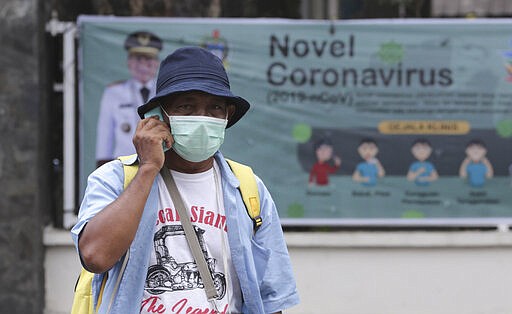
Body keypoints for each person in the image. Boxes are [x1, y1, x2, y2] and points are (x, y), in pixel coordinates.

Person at [72, 46, 299, 313]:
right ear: (159, 116)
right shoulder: (115, 179)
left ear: (227, 116)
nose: (202, 118)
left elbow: (270, 297)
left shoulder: (248, 189)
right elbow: (95, 256)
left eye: (214, 108)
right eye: (186, 106)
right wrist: (147, 168)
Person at [95, 30, 163, 168]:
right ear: (129, 63)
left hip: (161, 165)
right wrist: (103, 168)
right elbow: (105, 135)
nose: (143, 66)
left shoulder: (165, 91)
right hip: (124, 167)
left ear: (157, 63)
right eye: (138, 60)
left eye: (149, 60)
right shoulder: (113, 92)